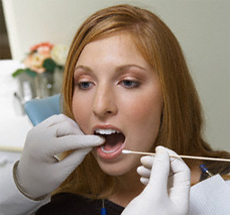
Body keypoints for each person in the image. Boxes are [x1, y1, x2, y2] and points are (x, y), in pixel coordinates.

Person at [0, 4, 229, 215]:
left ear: (169, 96)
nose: (100, 106)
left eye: (128, 82)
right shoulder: (59, 207)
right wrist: (22, 183)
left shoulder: (224, 186)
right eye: (85, 83)